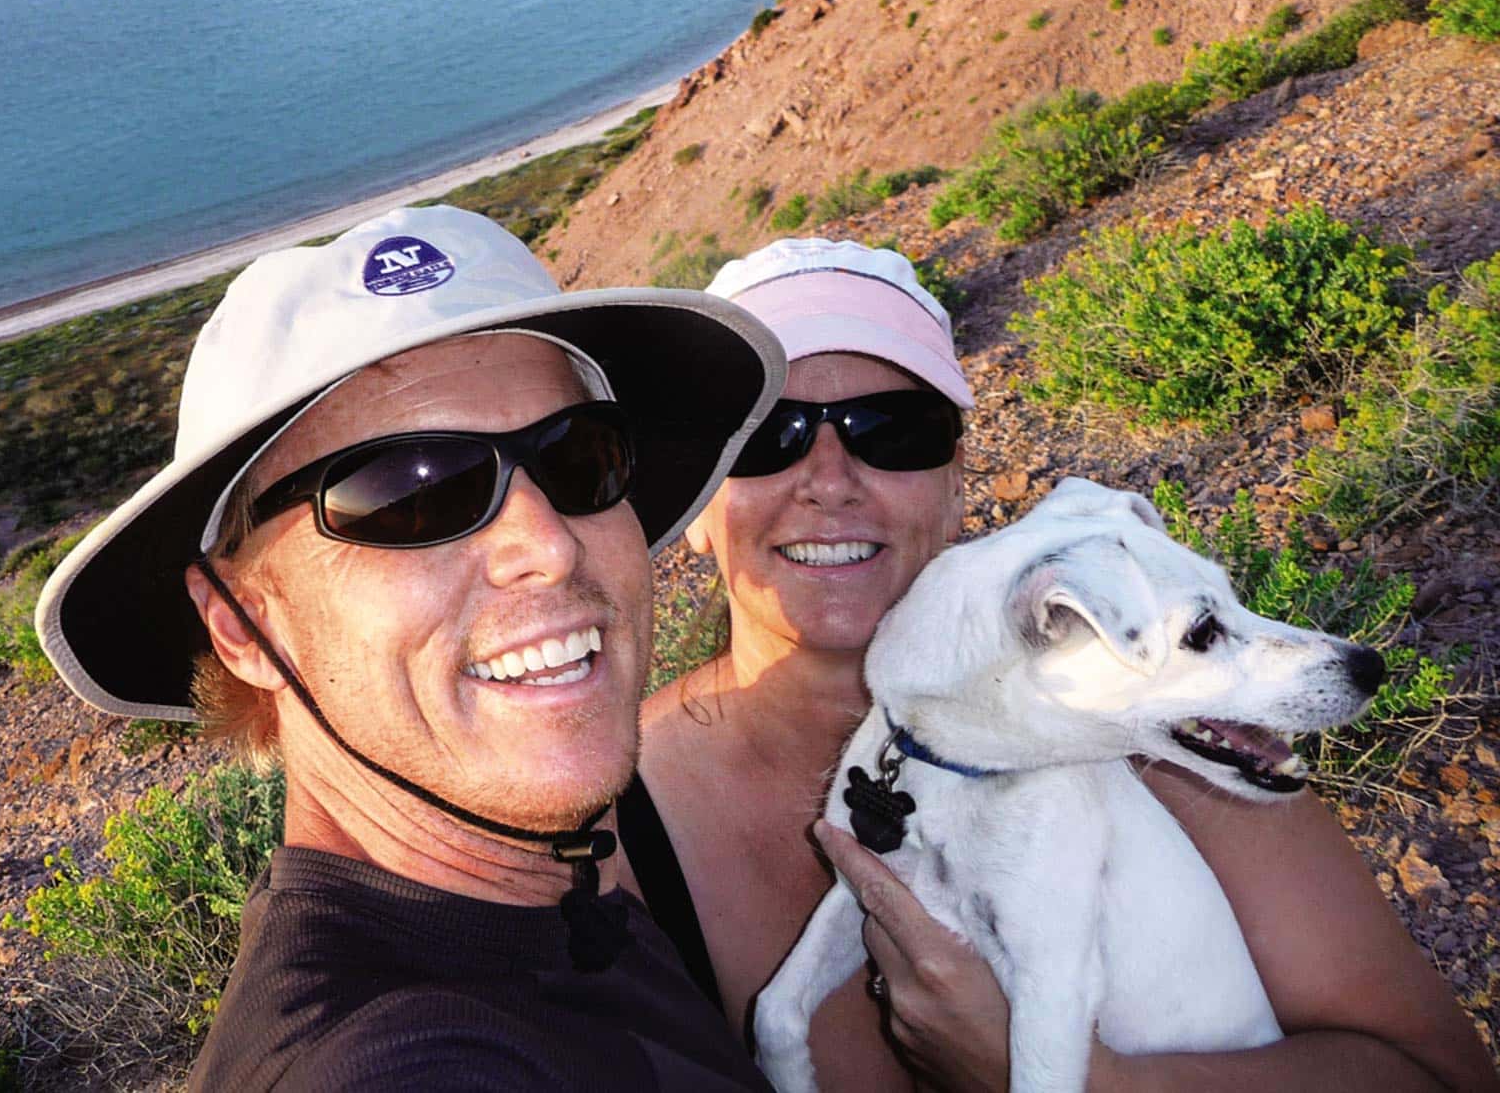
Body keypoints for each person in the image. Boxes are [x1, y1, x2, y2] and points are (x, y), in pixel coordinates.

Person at [621, 237, 1497, 1092]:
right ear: (698, 501)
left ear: (957, 475)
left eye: (893, 430)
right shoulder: (610, 832)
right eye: (768, 438)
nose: (830, 478)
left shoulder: (1165, 727)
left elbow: (1435, 1074)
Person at [36, 204, 792, 1090]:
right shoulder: (390, 1062)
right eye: (411, 495)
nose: (545, 544)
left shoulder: (553, 901)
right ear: (241, 622)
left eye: (579, 458)